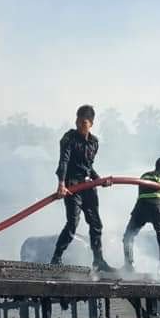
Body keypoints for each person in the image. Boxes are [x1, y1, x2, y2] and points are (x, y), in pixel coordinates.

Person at [50, 105, 114, 272]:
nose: (79, 124)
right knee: (73, 223)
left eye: (83, 122)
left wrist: (99, 180)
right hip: (72, 186)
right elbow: (63, 162)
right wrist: (61, 184)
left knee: (96, 224)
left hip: (88, 186)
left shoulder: (94, 142)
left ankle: (98, 261)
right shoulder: (68, 138)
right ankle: (56, 258)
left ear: (91, 124)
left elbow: (88, 167)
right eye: (77, 120)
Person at [123, 157, 160, 272]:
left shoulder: (145, 175)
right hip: (157, 208)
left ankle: (128, 266)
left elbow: (144, 191)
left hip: (140, 208)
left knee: (128, 236)